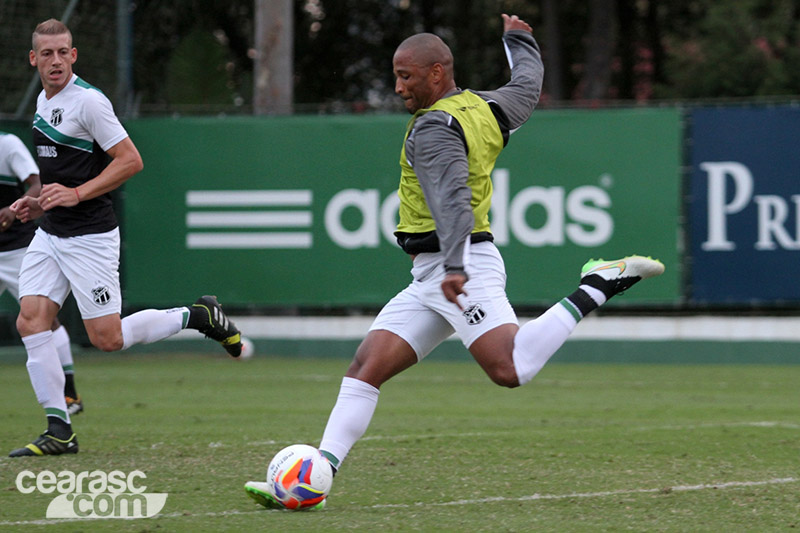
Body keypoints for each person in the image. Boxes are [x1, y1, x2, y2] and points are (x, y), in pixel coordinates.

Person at [245, 13, 663, 506]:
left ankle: (598, 282)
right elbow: (527, 87)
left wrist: (456, 268)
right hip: (431, 274)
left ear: (437, 73)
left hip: (459, 268)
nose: (398, 86)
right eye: (396, 74)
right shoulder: (486, 107)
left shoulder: (433, 130)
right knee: (365, 368)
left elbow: (453, 201)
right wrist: (520, 40)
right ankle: (318, 474)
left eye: (406, 75)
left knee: (510, 368)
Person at [8, 19, 243, 458]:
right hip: (51, 232)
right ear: (34, 59)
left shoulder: (90, 103)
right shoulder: (42, 100)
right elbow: (63, 175)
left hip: (90, 236)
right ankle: (59, 429)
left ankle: (198, 316)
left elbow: (130, 161)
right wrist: (36, 201)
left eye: (63, 52)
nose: (56, 60)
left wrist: (76, 194)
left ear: (73, 55)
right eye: (47, 54)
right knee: (31, 320)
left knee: (107, 339)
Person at [0, 131, 83, 415]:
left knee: (44, 319)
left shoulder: (7, 144)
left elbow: (37, 184)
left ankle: (70, 395)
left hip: (18, 250)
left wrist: (13, 209)